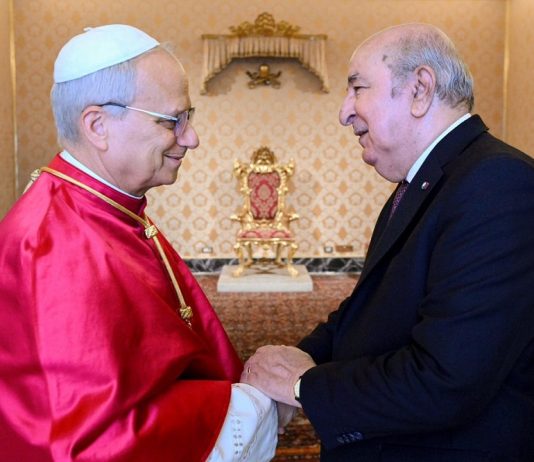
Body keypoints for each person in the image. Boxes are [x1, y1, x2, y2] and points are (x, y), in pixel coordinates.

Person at [242, 23, 534, 461]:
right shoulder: (427, 181)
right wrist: (295, 356)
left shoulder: (497, 183)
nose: (344, 112)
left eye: (357, 88)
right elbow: (372, 309)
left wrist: (301, 385)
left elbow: (446, 381)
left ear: (419, 89)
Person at [0, 24, 277, 461]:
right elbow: (89, 441)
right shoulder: (52, 245)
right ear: (98, 126)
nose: (191, 138)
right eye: (172, 121)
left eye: (189, 117)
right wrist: (255, 403)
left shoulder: (104, 208)